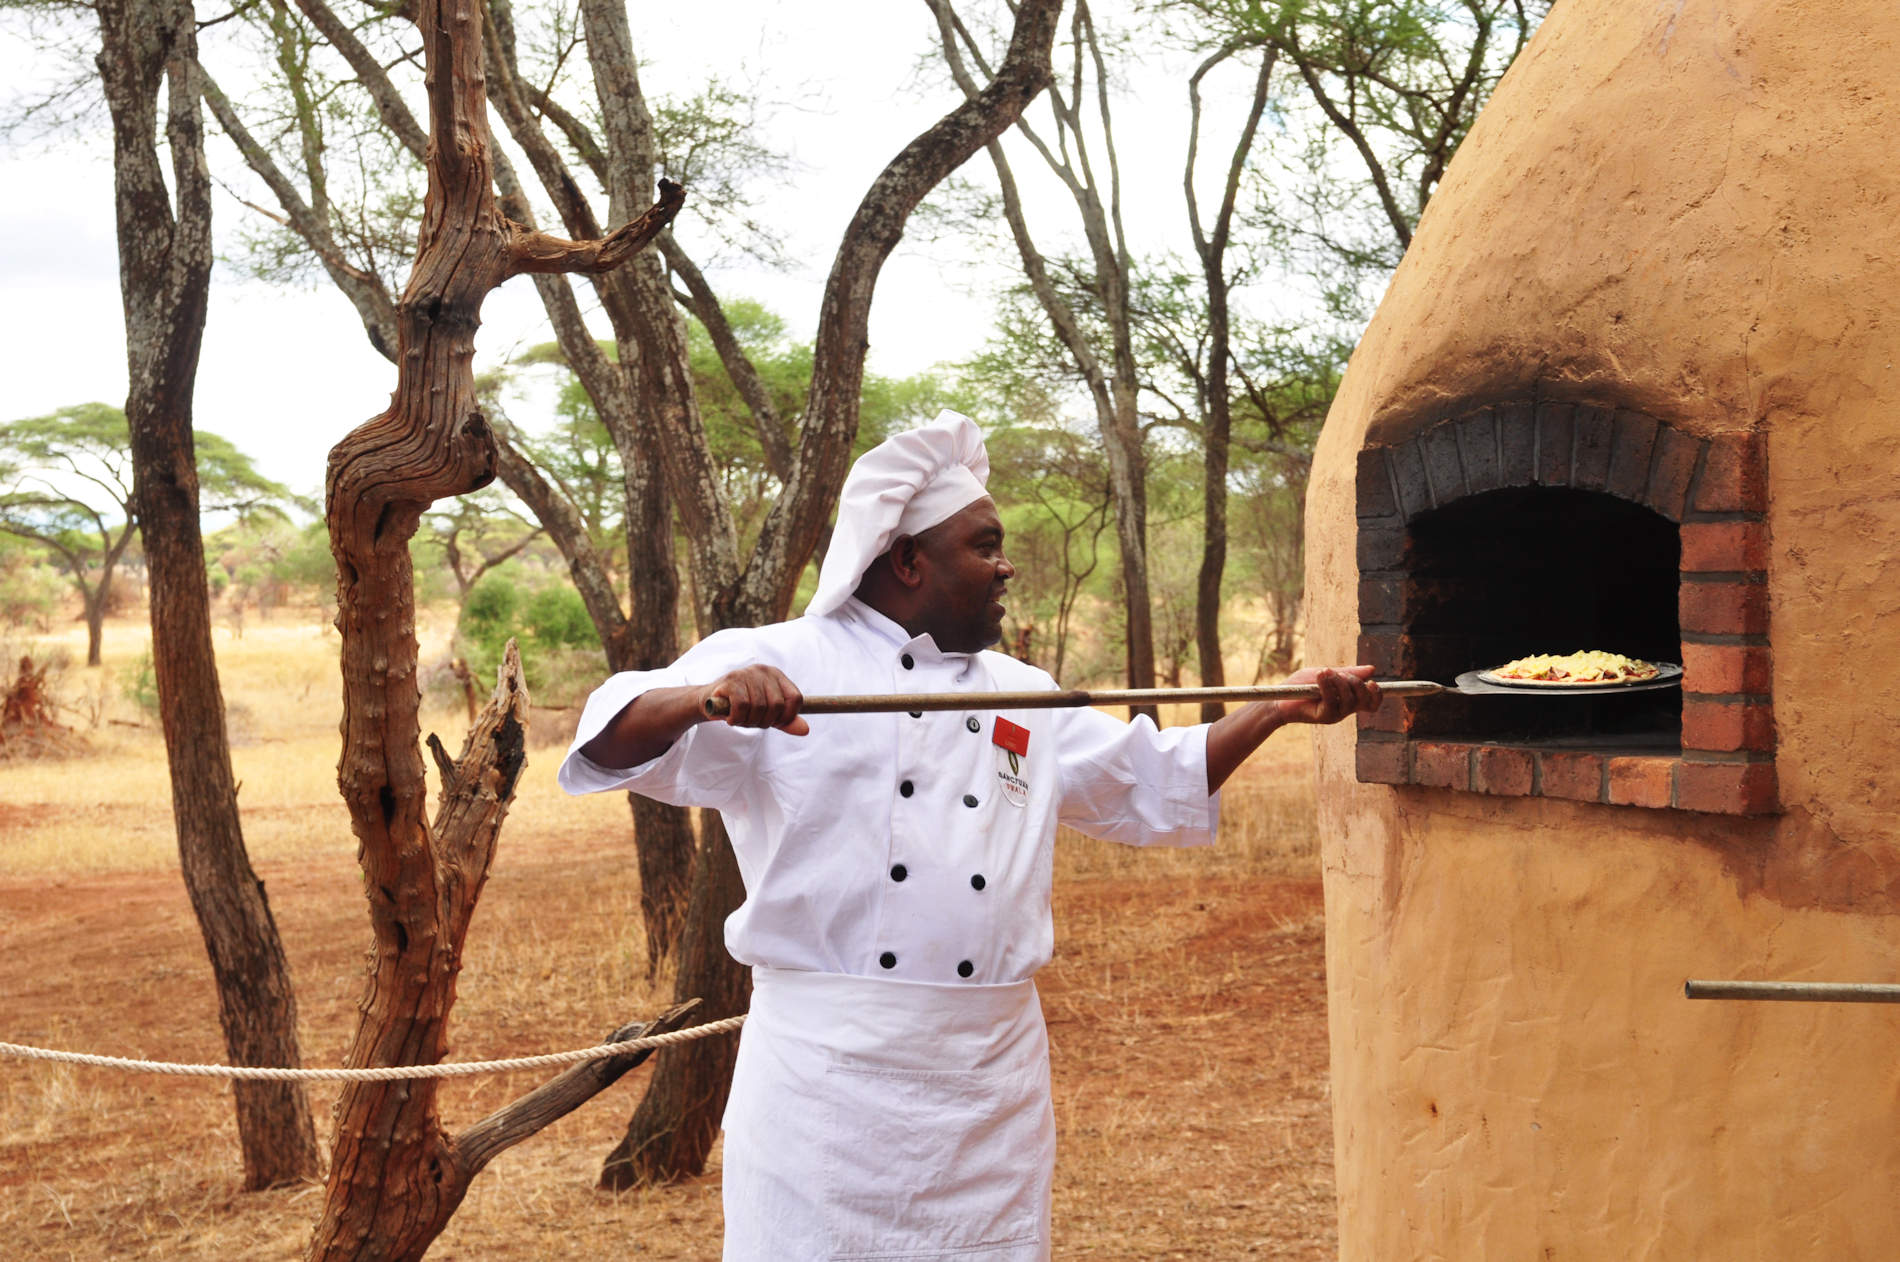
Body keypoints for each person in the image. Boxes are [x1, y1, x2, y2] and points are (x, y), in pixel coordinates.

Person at [560, 411, 1379, 1261]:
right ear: (908, 559)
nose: (1006, 565)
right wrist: (706, 698)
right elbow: (611, 734)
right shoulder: (779, 658)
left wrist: (1277, 709)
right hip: (826, 1083)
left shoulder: (1021, 690)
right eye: (984, 545)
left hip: (989, 1080)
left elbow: (1153, 777)